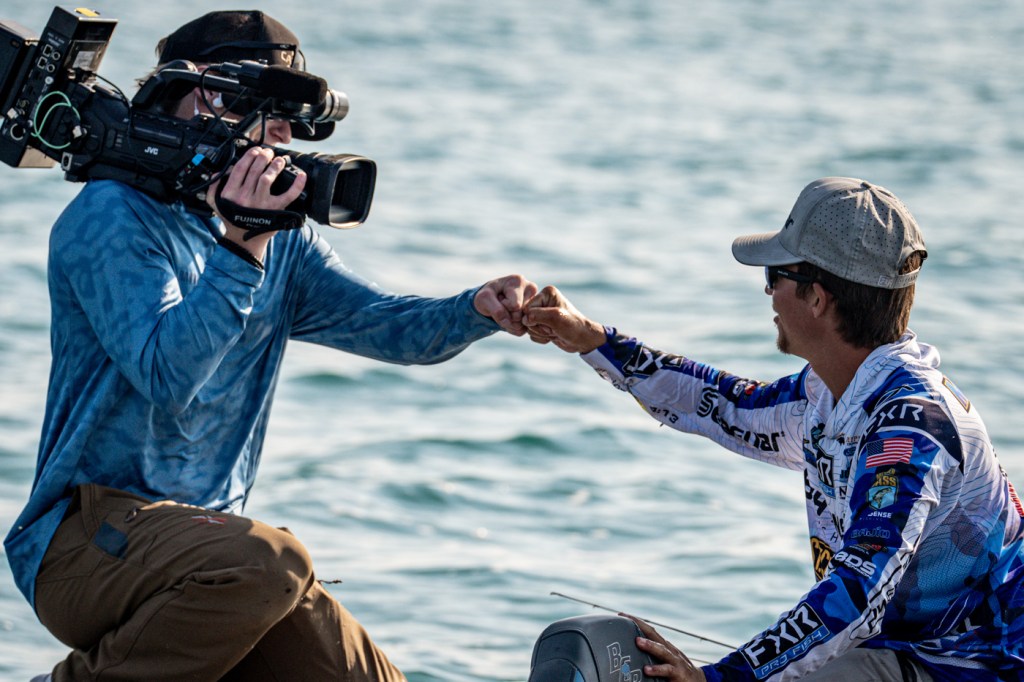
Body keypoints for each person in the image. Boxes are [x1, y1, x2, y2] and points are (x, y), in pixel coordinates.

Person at [4, 10, 537, 682]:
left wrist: (476, 309)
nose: (283, 136)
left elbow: (387, 326)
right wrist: (242, 245)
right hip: (83, 542)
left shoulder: (280, 242)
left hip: (211, 557)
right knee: (272, 562)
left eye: (291, 119)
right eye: (270, 112)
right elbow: (168, 374)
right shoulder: (112, 214)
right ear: (204, 94)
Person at [522, 177, 1024, 681]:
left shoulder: (910, 430)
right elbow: (716, 403)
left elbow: (858, 593)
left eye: (774, 274)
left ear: (818, 298)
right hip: (909, 650)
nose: (767, 290)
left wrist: (720, 678)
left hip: (982, 664)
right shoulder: (827, 394)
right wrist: (588, 338)